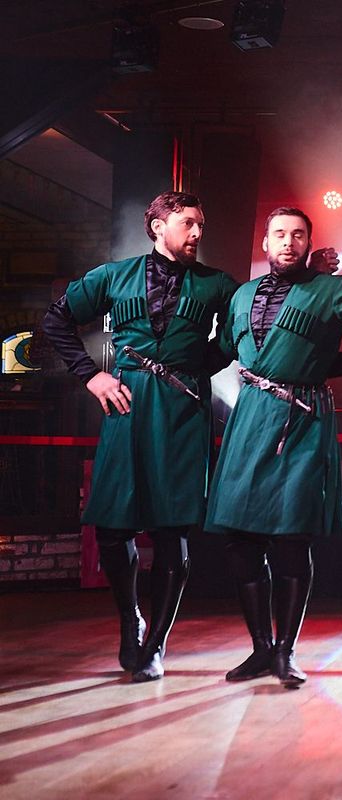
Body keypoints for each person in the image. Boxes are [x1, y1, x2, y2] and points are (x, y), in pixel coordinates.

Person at [41, 192, 238, 682]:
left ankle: (155, 645)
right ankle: (131, 619)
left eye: (200, 224)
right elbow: (56, 320)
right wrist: (92, 375)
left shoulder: (216, 284)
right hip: (126, 407)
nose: (197, 233)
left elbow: (241, 331)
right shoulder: (113, 276)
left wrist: (196, 368)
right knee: (113, 528)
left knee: (172, 531)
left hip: (183, 412)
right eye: (187, 223)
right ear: (157, 226)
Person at [206, 207, 342, 688]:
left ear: (310, 243)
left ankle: (286, 651)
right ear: (265, 243)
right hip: (249, 418)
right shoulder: (242, 295)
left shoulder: (331, 290)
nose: (288, 242)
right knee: (240, 540)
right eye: (280, 234)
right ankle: (261, 649)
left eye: (298, 235)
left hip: (302, 419)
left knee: (291, 538)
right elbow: (221, 349)